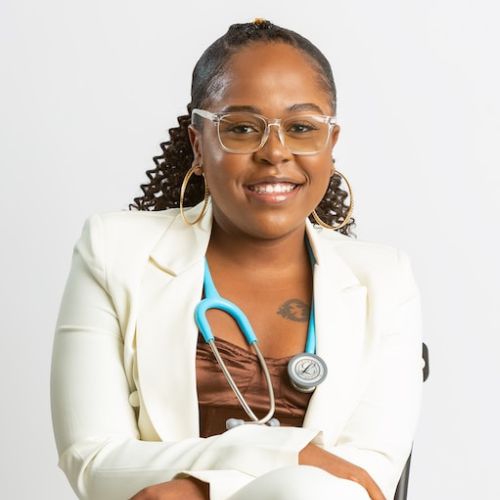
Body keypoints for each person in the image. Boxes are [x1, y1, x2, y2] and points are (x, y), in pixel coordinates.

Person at [50, 18, 423, 500]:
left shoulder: (384, 279)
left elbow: (364, 478)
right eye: (242, 128)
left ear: (330, 145)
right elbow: (93, 460)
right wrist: (286, 453)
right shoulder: (113, 250)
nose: (274, 152)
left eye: (301, 127)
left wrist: (200, 490)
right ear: (197, 144)